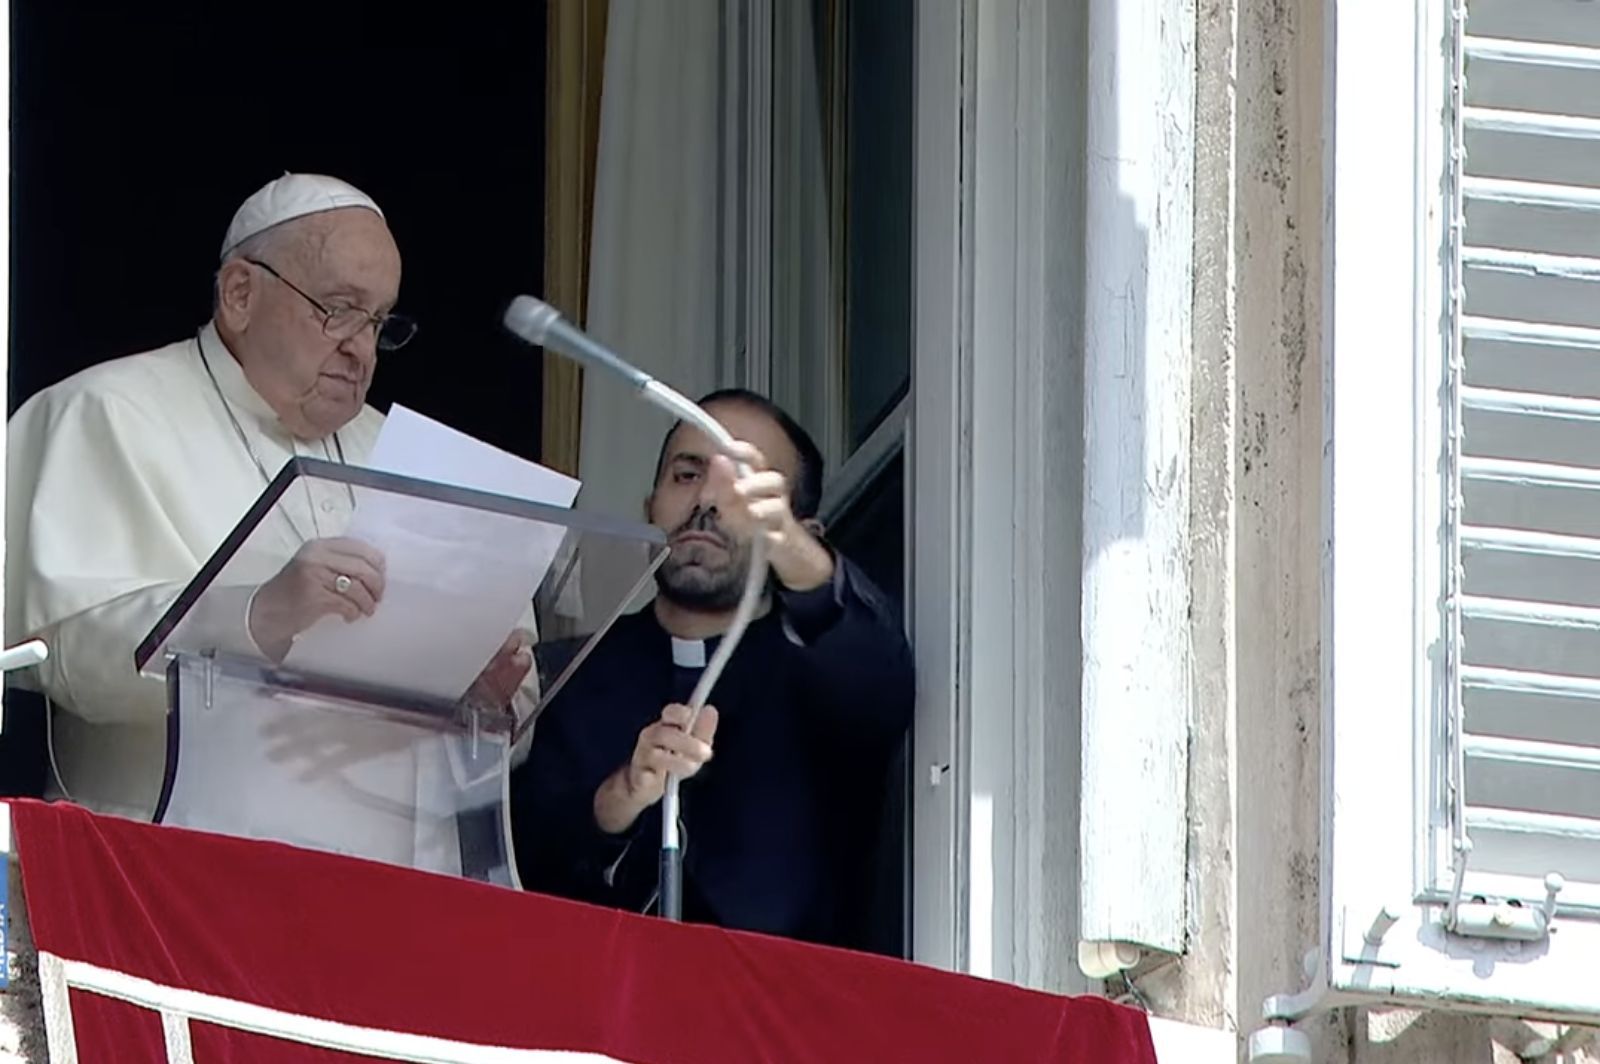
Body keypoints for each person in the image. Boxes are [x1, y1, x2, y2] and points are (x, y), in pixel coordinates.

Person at [5, 173, 534, 824]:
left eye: (378, 322)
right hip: (159, 862)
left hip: (379, 866)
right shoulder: (103, 411)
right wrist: (257, 614)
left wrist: (480, 703)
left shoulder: (416, 460)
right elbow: (62, 656)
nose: (361, 348)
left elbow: (513, 714)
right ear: (240, 293)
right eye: (338, 309)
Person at [511, 389, 914, 949]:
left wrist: (802, 563)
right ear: (649, 505)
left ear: (799, 534)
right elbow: (523, 869)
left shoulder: (821, 664)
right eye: (686, 474)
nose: (707, 499)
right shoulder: (579, 671)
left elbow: (882, 688)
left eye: (744, 484)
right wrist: (619, 799)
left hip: (786, 1014)